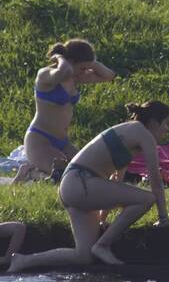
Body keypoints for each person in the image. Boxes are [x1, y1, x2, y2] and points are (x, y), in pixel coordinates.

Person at [8, 101, 169, 271]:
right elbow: (156, 182)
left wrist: (102, 217)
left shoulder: (130, 132)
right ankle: (103, 245)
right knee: (146, 199)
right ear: (154, 122)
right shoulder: (143, 134)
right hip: (81, 182)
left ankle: (23, 260)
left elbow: (116, 180)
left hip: (73, 186)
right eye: (167, 123)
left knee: (83, 256)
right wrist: (163, 218)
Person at [23, 38, 116, 179]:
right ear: (70, 61)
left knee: (91, 172)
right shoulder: (45, 75)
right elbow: (64, 71)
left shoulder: (75, 78)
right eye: (82, 68)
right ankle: (29, 173)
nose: (83, 72)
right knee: (67, 176)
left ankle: (37, 172)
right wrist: (60, 57)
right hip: (40, 140)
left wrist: (90, 63)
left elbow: (109, 75)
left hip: (63, 142)